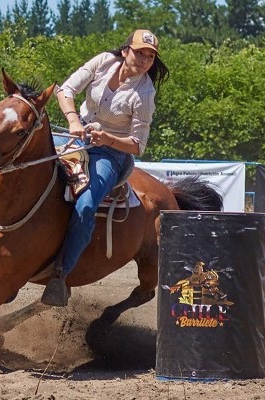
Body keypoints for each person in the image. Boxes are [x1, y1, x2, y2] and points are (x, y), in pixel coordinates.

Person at [41, 29, 170, 307]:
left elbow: (138, 144)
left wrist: (107, 138)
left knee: (86, 204)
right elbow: (65, 89)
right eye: (139, 53)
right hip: (75, 136)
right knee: (22, 154)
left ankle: (60, 276)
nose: (145, 59)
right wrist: (74, 121)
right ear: (126, 51)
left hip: (112, 154)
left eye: (150, 56)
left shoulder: (144, 93)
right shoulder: (102, 62)